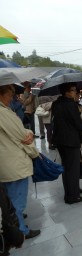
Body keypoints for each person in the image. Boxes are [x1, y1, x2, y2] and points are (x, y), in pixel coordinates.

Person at [0, 84, 41, 239]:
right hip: (13, 163)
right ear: (1, 94)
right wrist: (30, 135)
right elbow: (21, 135)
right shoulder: (3, 112)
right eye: (9, 94)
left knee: (9, 199)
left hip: (7, 161)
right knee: (16, 200)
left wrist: (27, 132)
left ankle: (14, 225)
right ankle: (20, 232)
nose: (12, 97)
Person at [52, 83, 82, 204]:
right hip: (71, 140)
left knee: (66, 168)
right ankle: (73, 196)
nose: (75, 92)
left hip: (61, 141)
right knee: (73, 169)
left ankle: (70, 192)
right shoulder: (71, 105)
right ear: (66, 92)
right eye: (73, 90)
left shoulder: (56, 104)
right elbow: (78, 124)